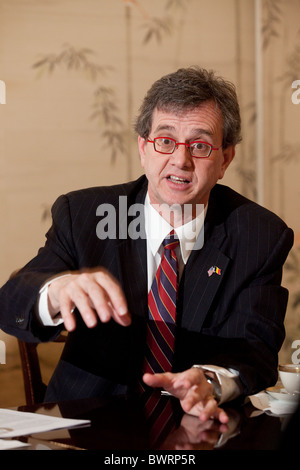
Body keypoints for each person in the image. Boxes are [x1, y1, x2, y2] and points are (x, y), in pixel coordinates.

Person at [0, 67, 293, 425]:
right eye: (165, 141)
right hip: (85, 424)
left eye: (199, 146)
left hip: (197, 426)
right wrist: (56, 291)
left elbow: (257, 349)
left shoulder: (259, 235)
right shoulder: (85, 215)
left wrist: (213, 381)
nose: (180, 161)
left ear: (225, 160)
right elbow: (10, 302)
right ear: (143, 148)